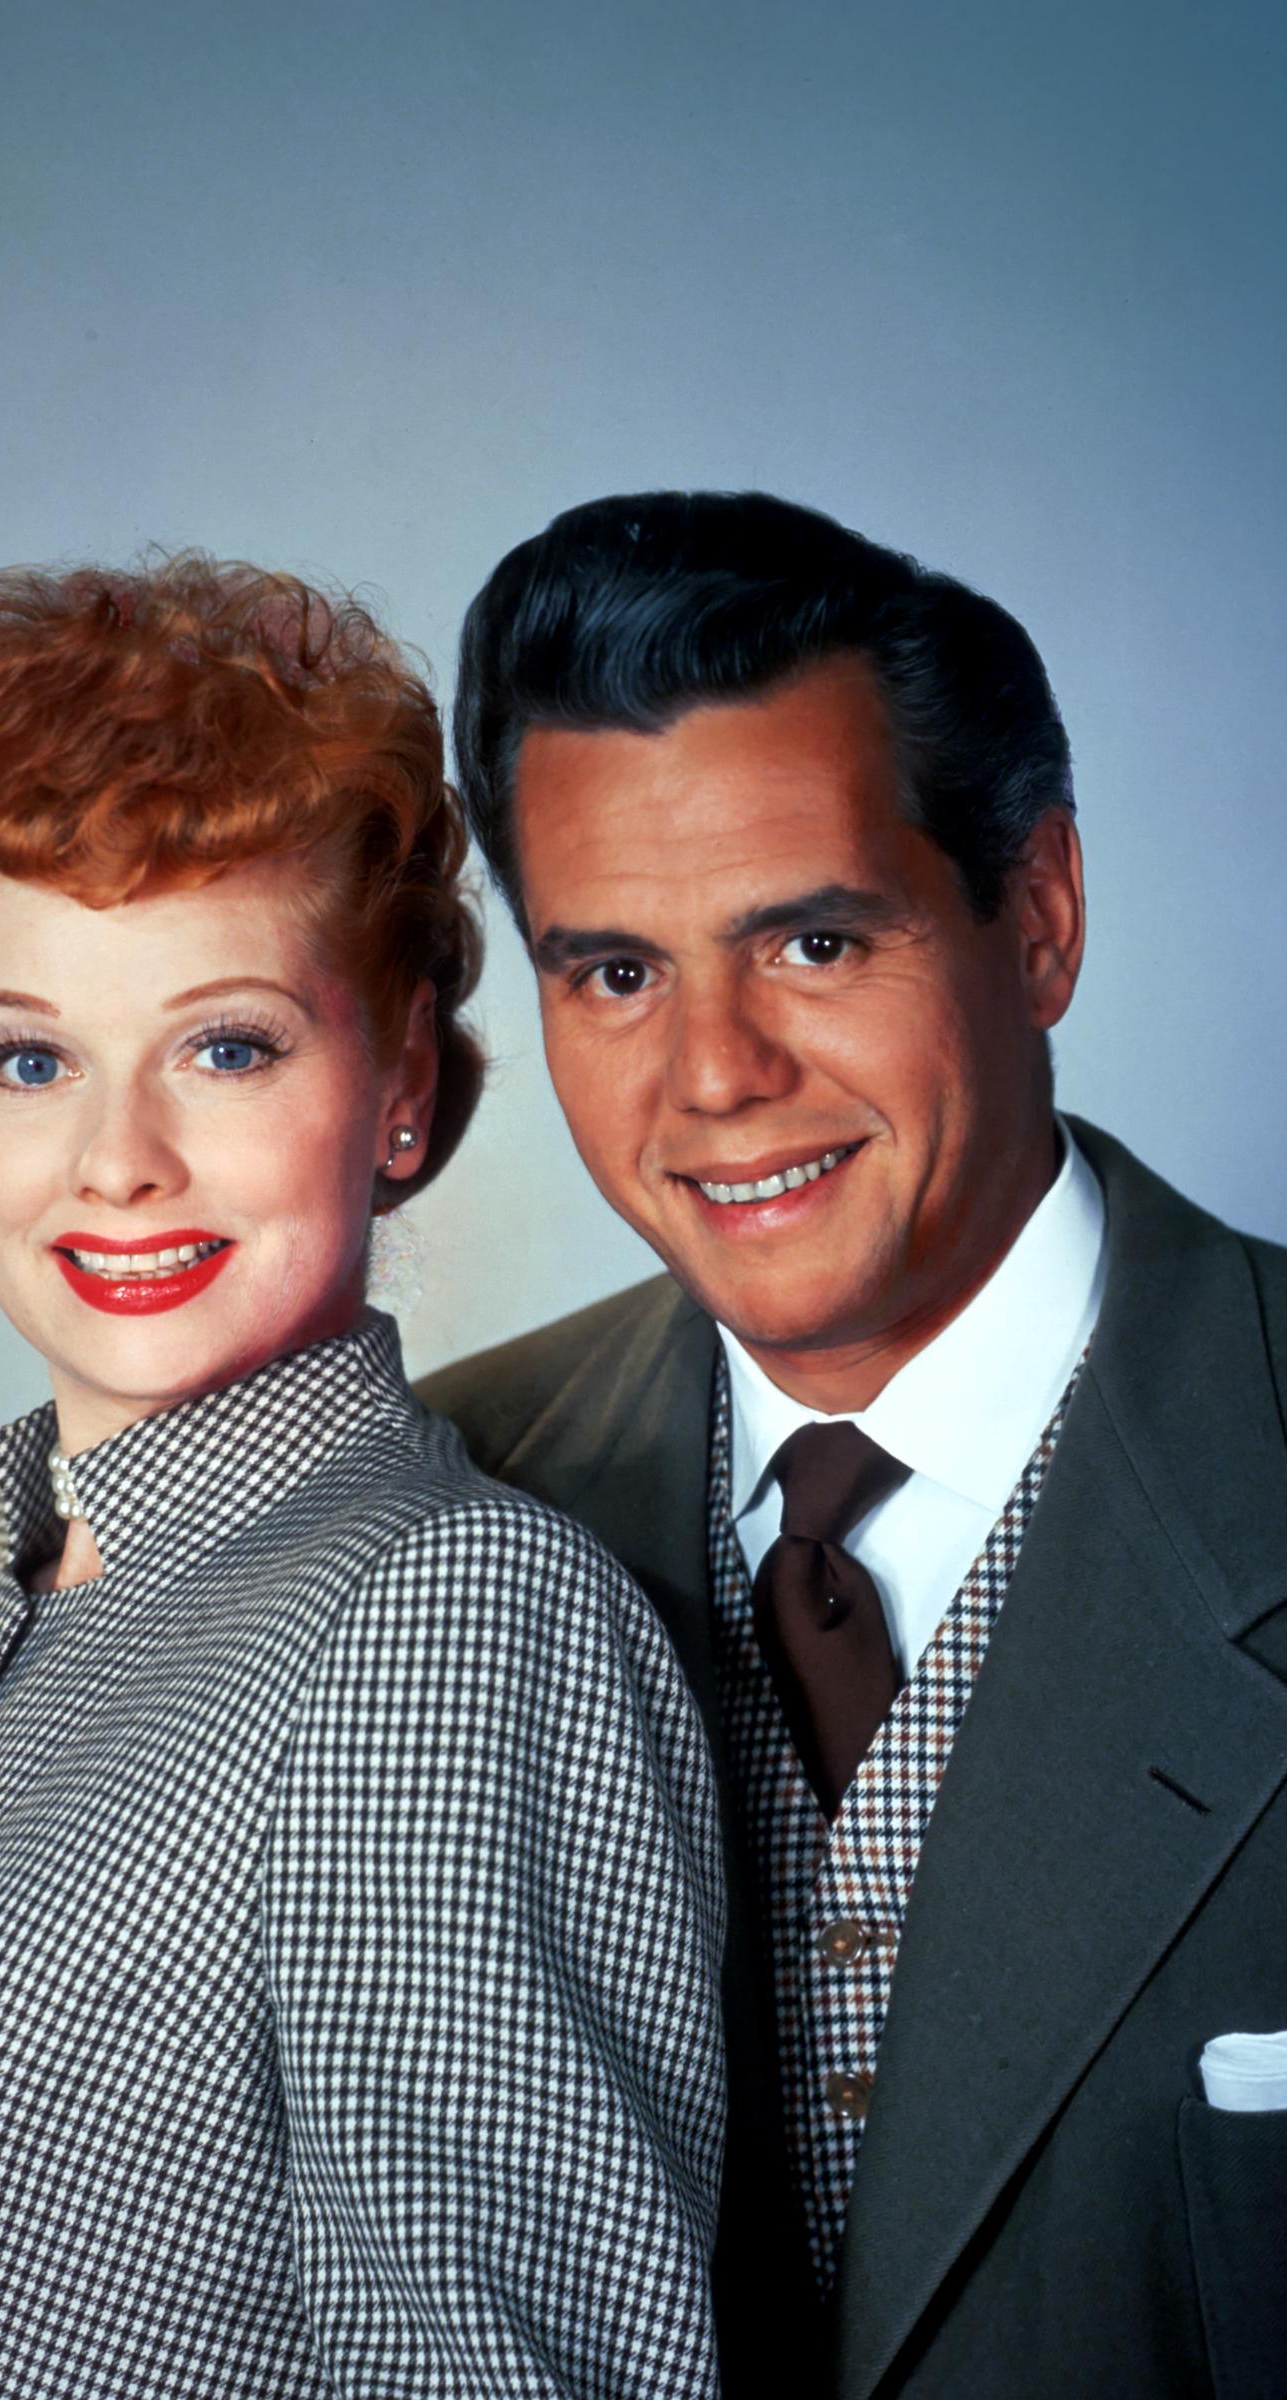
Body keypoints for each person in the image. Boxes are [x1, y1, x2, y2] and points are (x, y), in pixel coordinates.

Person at [0, 556, 728, 2399]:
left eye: (225, 1047)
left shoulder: (455, 1627)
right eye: (27, 1058)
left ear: (400, 1088)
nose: (114, 1159)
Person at [423, 490, 1287, 2400]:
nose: (714, 1075)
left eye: (812, 943)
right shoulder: (434, 1502)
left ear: (1038, 918)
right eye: (614, 973)